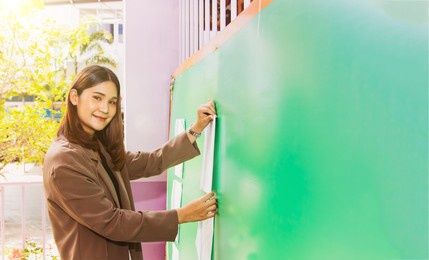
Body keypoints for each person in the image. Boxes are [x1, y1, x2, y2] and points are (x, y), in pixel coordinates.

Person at [43, 65, 217, 260]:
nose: (105, 109)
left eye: (112, 101)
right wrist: (181, 215)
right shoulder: (64, 160)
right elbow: (112, 222)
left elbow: (151, 161)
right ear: (75, 97)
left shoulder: (97, 148)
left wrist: (196, 129)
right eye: (97, 98)